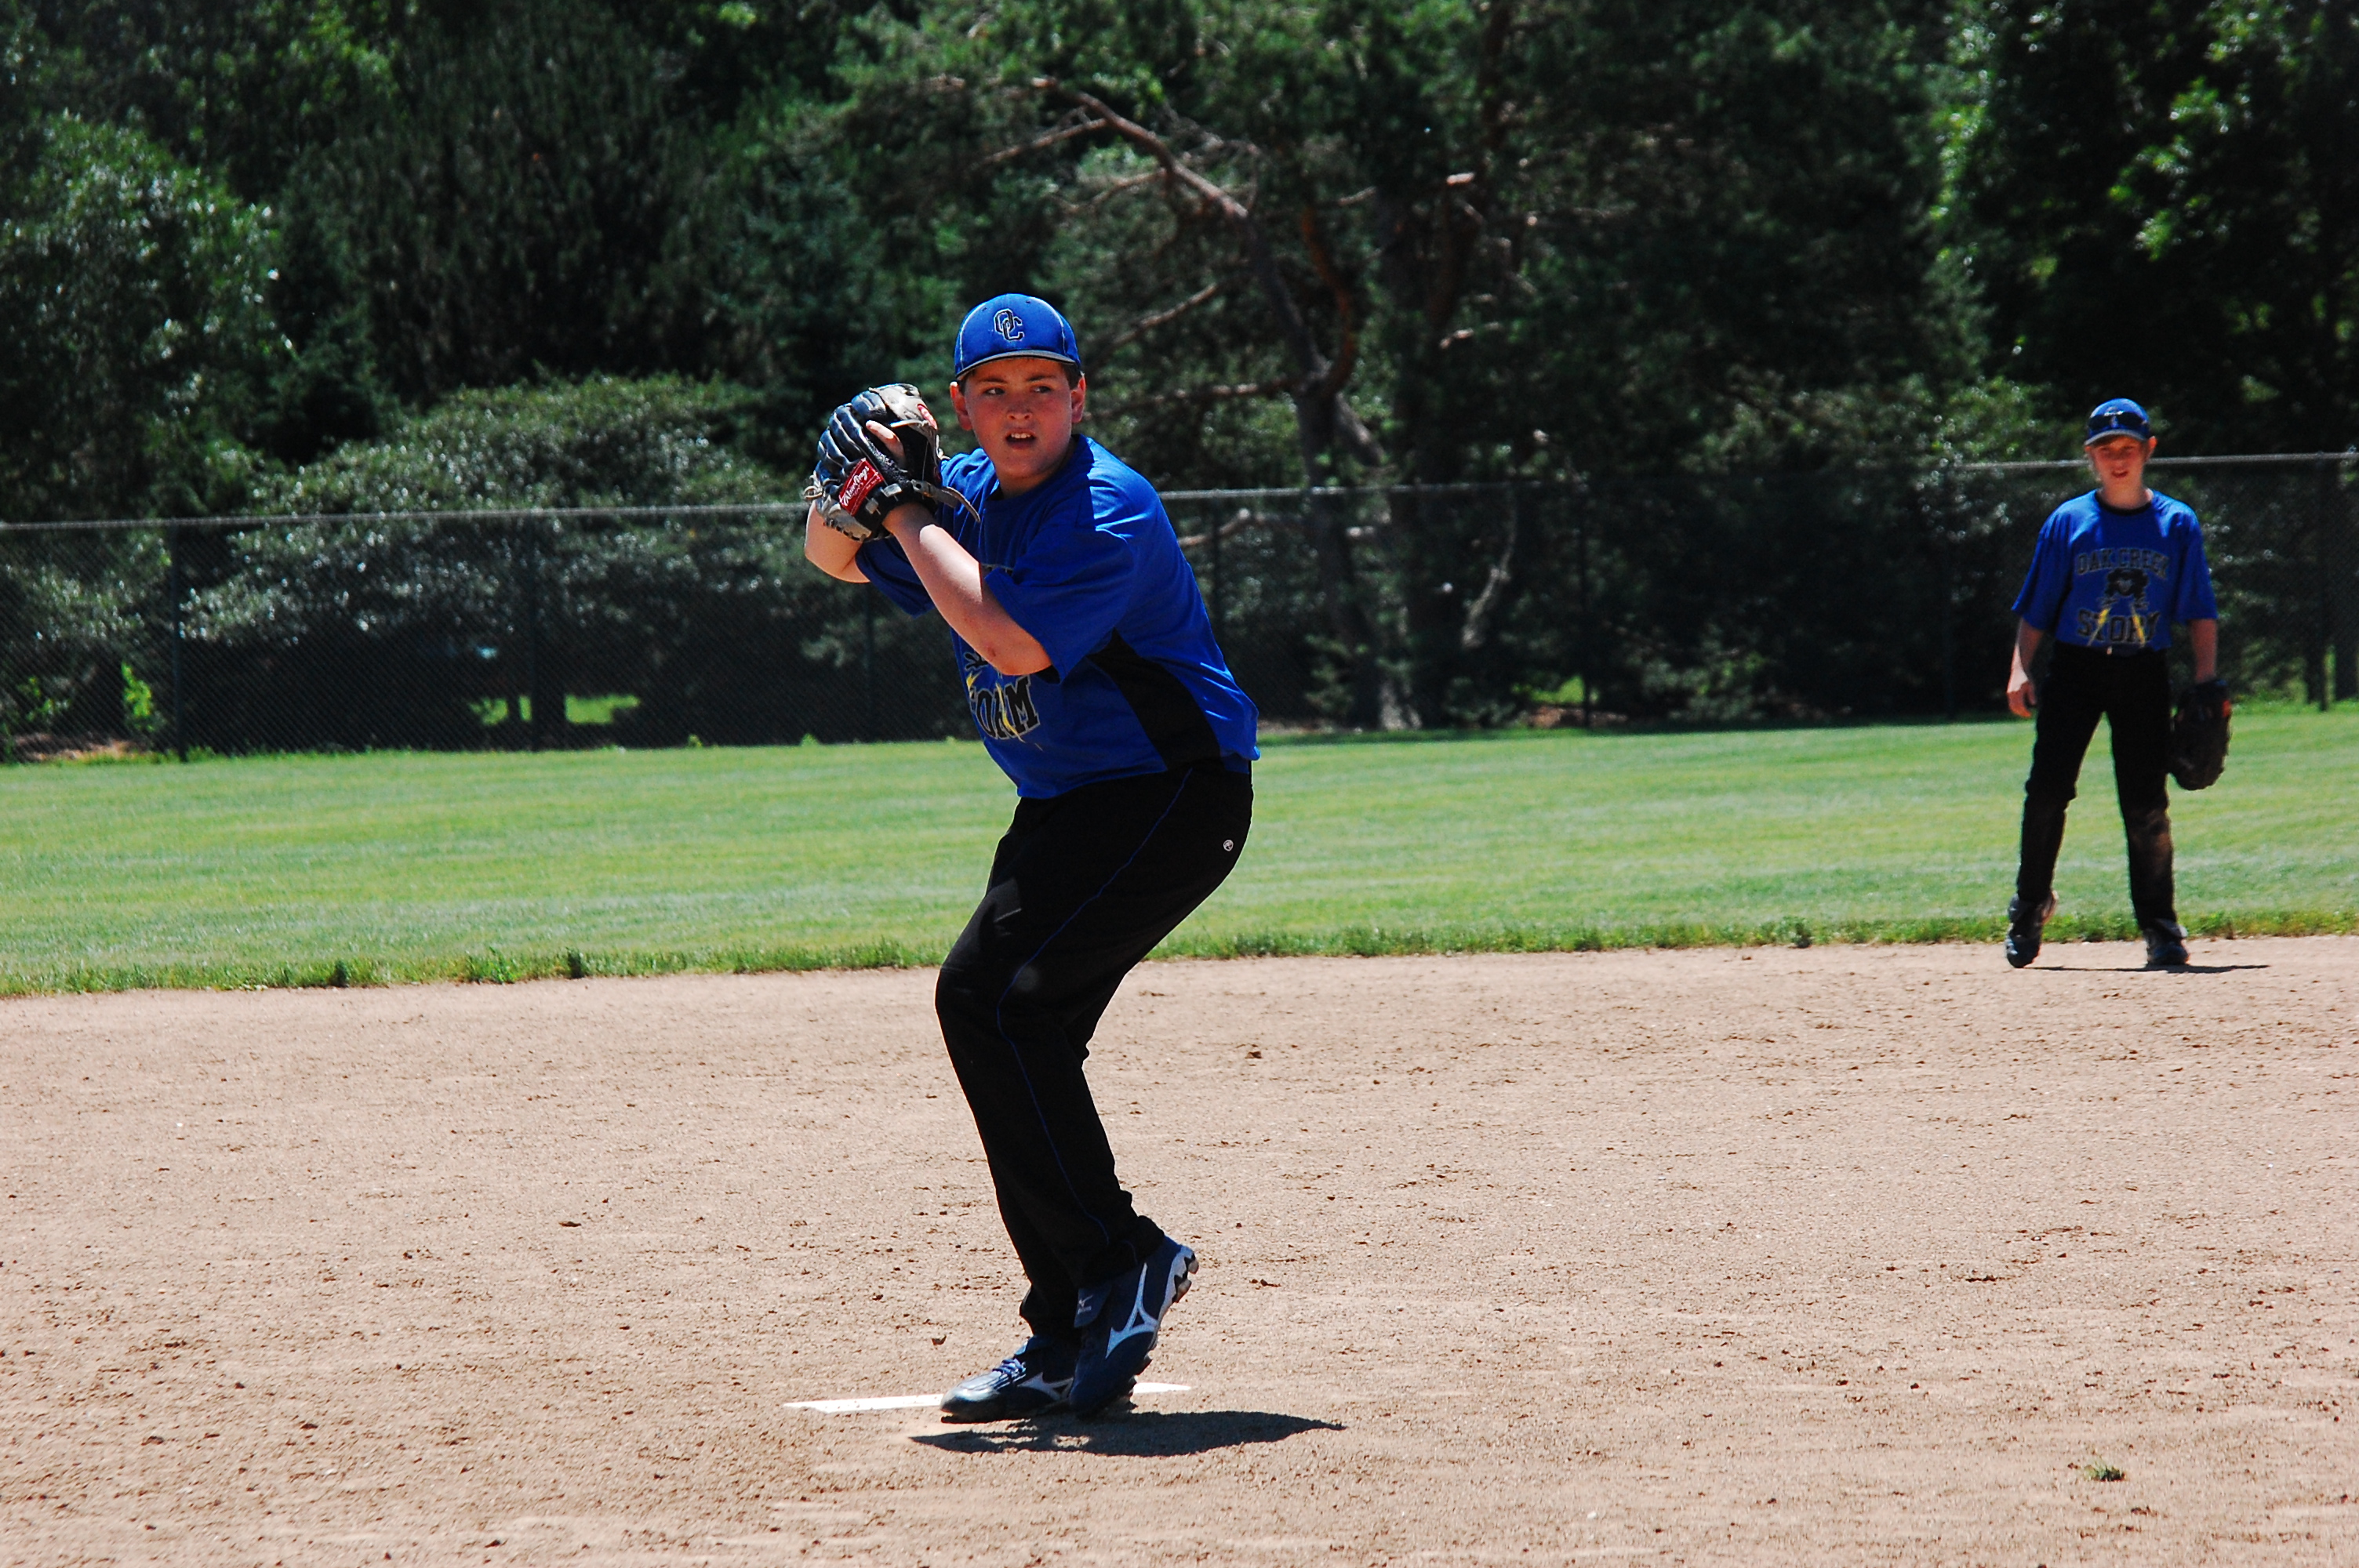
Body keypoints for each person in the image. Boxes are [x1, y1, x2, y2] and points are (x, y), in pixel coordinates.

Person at [804, 293, 1259, 1420]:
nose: (1020, 410)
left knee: (989, 1000)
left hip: (1170, 791)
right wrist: (846, 483)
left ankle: (1121, 1261)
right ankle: (1067, 1326)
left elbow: (1007, 641)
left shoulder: (1105, 505)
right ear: (962, 405)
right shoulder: (957, 496)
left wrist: (902, 507)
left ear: (1078, 398)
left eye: (1042, 388)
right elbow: (832, 560)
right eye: (995, 390)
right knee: (1016, 1029)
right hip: (1070, 803)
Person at [2003, 397, 2219, 970]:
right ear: (2090, 456)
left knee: (2146, 804)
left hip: (2144, 670)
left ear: (2148, 451)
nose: (2117, 459)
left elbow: (2199, 609)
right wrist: (2020, 667)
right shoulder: (2068, 522)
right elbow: (2037, 607)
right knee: (2048, 791)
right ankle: (2030, 904)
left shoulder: (2176, 523)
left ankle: (2160, 925)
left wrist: (2206, 681)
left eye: (2128, 448)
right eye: (2106, 449)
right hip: (2076, 668)